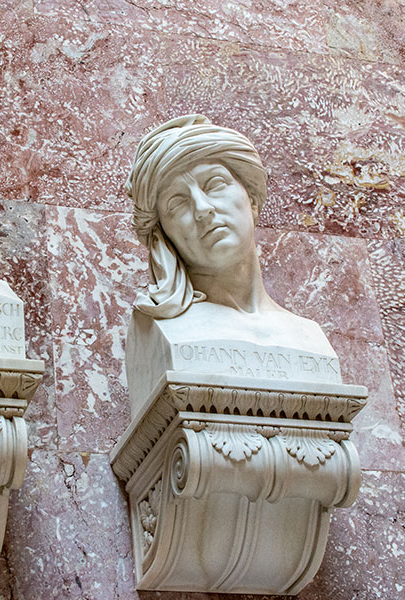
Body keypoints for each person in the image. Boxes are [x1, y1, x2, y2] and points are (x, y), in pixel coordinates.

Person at [125, 115, 340, 408]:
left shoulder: (310, 337)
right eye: (177, 203)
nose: (202, 208)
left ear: (251, 199)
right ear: (163, 235)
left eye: (214, 184)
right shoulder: (160, 332)